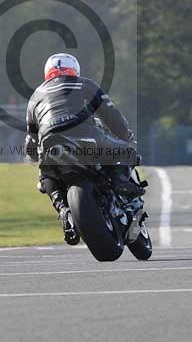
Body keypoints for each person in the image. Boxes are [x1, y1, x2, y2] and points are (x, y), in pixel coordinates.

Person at [25, 53, 143, 244]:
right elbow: (113, 116)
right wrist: (127, 138)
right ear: (75, 70)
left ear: (47, 73)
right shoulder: (86, 84)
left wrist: (34, 159)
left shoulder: (35, 96)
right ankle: (120, 181)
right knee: (128, 151)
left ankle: (64, 210)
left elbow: (30, 140)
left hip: (51, 144)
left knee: (45, 174)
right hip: (88, 137)